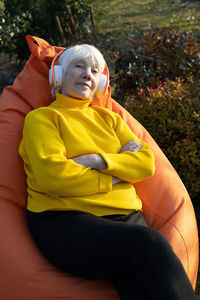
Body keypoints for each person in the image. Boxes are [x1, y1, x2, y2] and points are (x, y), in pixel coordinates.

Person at [19, 44, 196, 300]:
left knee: (137, 287)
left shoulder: (110, 119)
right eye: (78, 66)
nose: (87, 74)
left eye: (94, 70)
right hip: (66, 221)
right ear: (58, 76)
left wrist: (98, 161)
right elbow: (52, 177)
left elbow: (145, 163)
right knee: (151, 245)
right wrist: (117, 173)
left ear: (101, 82)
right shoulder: (42, 119)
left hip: (126, 220)